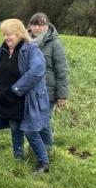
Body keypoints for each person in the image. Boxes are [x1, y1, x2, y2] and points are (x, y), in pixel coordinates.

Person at [0, 19, 51, 174]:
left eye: (11, 34)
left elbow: (36, 71)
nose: (7, 38)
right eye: (5, 34)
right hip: (6, 97)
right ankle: (18, 160)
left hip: (26, 98)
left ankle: (43, 162)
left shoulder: (31, 50)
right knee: (15, 128)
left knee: (30, 130)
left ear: (20, 34)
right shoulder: (0, 51)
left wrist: (15, 89)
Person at [28, 12, 69, 153]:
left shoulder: (55, 43)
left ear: (47, 25)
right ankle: (36, 150)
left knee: (43, 121)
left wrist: (62, 95)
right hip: (29, 91)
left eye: (41, 24)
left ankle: (47, 151)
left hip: (47, 91)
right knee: (32, 121)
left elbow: (62, 70)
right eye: (34, 24)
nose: (37, 28)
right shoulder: (25, 42)